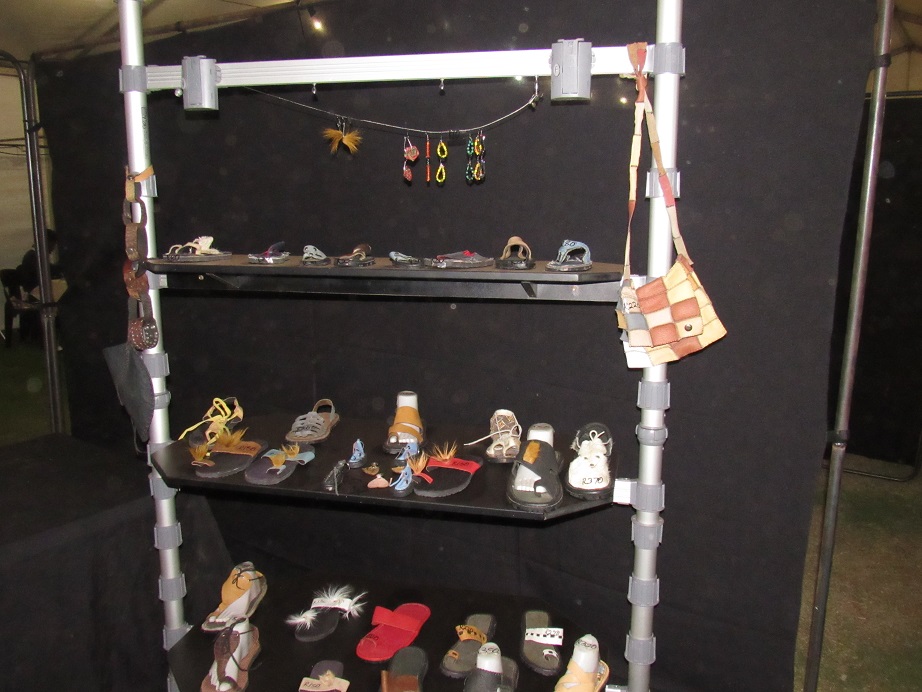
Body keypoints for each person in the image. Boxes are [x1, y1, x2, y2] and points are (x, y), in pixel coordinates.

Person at [18, 228, 62, 296]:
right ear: (46, 243)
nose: (53, 248)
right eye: (53, 244)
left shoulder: (32, 255)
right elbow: (49, 270)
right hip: (37, 293)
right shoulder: (33, 257)